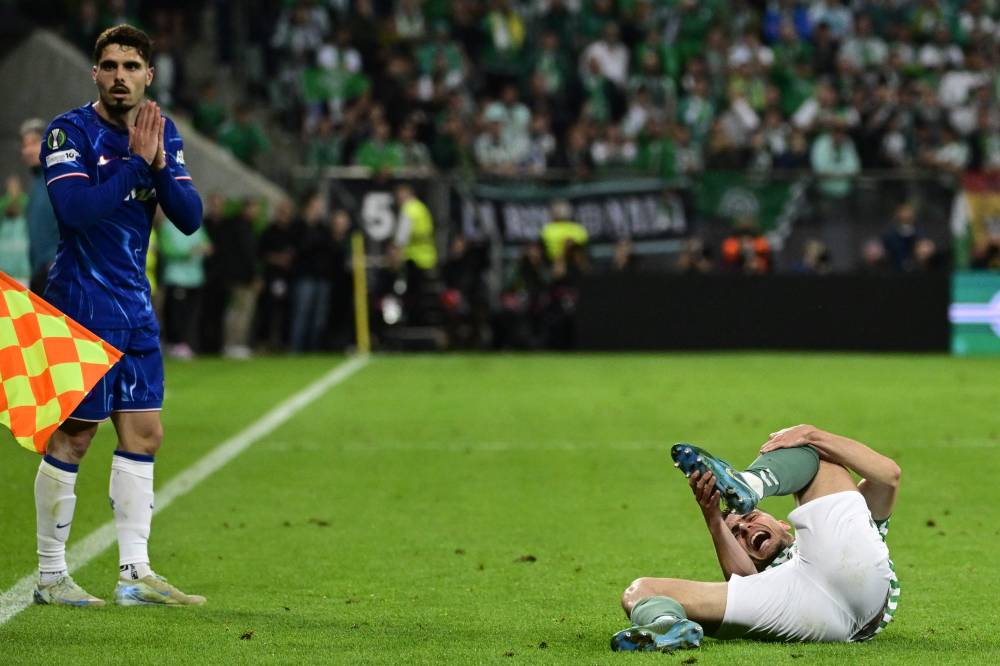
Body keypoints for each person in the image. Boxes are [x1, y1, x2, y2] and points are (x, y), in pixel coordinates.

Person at [35, 24, 205, 607]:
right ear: (95, 73)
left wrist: (156, 163)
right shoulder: (69, 132)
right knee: (75, 435)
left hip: (134, 305)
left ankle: (135, 572)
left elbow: (189, 216)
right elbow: (75, 210)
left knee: (146, 434)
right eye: (109, 66)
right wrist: (135, 165)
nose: (120, 77)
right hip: (81, 305)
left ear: (149, 75)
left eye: (131, 67)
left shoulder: (161, 131)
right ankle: (51, 575)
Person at [612, 425, 900, 652]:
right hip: (794, 602)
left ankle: (749, 485)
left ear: (783, 525)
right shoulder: (764, 582)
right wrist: (714, 520)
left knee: (821, 455)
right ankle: (668, 628)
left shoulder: (849, 528)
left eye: (749, 518)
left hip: (858, 584)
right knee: (641, 590)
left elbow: (888, 477)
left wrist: (812, 435)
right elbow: (744, 578)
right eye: (737, 534)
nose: (746, 530)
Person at [19, 118, 61, 295]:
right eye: (25, 145)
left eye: (34, 143)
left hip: (56, 272)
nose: (28, 150)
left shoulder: (60, 179)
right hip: (39, 273)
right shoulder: (36, 184)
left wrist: (55, 261)